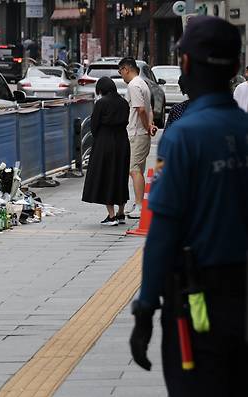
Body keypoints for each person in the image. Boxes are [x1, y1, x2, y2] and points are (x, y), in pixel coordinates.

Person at [129, 16, 248, 397]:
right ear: (235, 68)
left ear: (185, 64)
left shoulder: (184, 137)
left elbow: (163, 231)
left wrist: (146, 307)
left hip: (199, 302)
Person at [82, 77, 130, 226]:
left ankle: (111, 215)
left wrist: (99, 137)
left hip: (105, 142)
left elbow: (94, 125)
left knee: (106, 176)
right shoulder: (123, 103)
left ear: (101, 89)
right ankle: (121, 212)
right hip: (122, 141)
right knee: (121, 175)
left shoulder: (101, 103)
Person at [118, 57, 157, 219]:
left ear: (126, 69)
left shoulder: (134, 85)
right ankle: (138, 202)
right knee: (138, 170)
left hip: (136, 133)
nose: (121, 75)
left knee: (134, 170)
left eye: (121, 72)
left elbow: (140, 110)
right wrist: (150, 124)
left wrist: (147, 126)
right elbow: (149, 109)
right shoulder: (143, 84)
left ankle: (140, 205)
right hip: (142, 133)